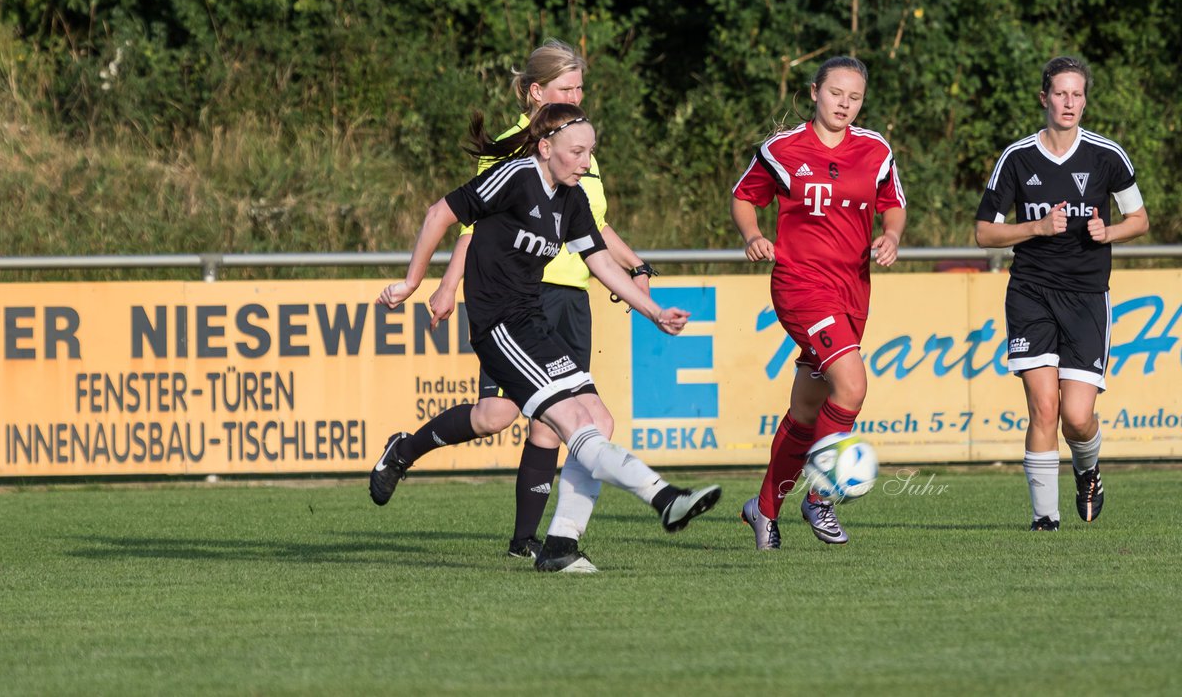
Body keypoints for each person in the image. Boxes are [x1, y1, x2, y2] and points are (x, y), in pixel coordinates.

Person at [374, 102, 721, 572]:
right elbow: (442, 214)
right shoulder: (516, 176)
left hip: (532, 321)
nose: (585, 161)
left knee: (598, 418)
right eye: (577, 151)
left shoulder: (572, 198)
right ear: (545, 146)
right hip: (498, 325)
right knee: (568, 422)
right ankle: (663, 498)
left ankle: (559, 544)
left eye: (591, 152)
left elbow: (599, 262)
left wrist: (654, 311)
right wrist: (414, 281)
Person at [730, 55, 906, 550]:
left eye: (854, 98)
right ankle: (819, 497)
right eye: (836, 94)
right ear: (814, 92)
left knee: (807, 412)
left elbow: (893, 205)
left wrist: (890, 237)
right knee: (851, 385)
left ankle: (763, 509)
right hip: (800, 285)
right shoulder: (783, 150)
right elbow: (745, 196)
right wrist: (753, 234)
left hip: (852, 288)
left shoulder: (874, 149)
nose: (844, 104)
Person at [974, 56, 1147, 531]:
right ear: (1044, 98)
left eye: (1077, 95)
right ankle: (1044, 520)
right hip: (1030, 293)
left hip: (1088, 296)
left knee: (1076, 416)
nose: (1069, 103)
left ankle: (1087, 468)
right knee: (1043, 407)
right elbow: (984, 234)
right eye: (1060, 94)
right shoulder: (1017, 157)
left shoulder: (1107, 155)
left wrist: (1106, 233)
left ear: (1085, 100)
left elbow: (1140, 220)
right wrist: (1036, 227)